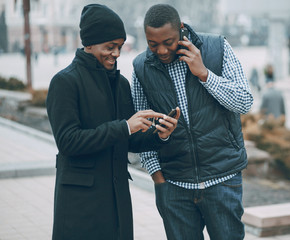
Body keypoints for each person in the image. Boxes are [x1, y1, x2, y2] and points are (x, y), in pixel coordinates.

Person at [46, 4, 179, 240]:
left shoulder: (121, 84)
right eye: (110, 47)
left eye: (119, 46)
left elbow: (130, 140)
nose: (116, 53)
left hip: (117, 199)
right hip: (80, 203)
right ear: (89, 43)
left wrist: (160, 134)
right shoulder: (65, 82)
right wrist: (125, 126)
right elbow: (68, 142)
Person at [131, 4, 253, 240]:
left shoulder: (217, 48)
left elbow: (244, 102)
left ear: (182, 30)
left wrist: (204, 74)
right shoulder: (141, 68)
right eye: (153, 44)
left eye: (168, 42)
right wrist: (159, 180)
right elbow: (141, 131)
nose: (162, 51)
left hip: (222, 180)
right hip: (175, 187)